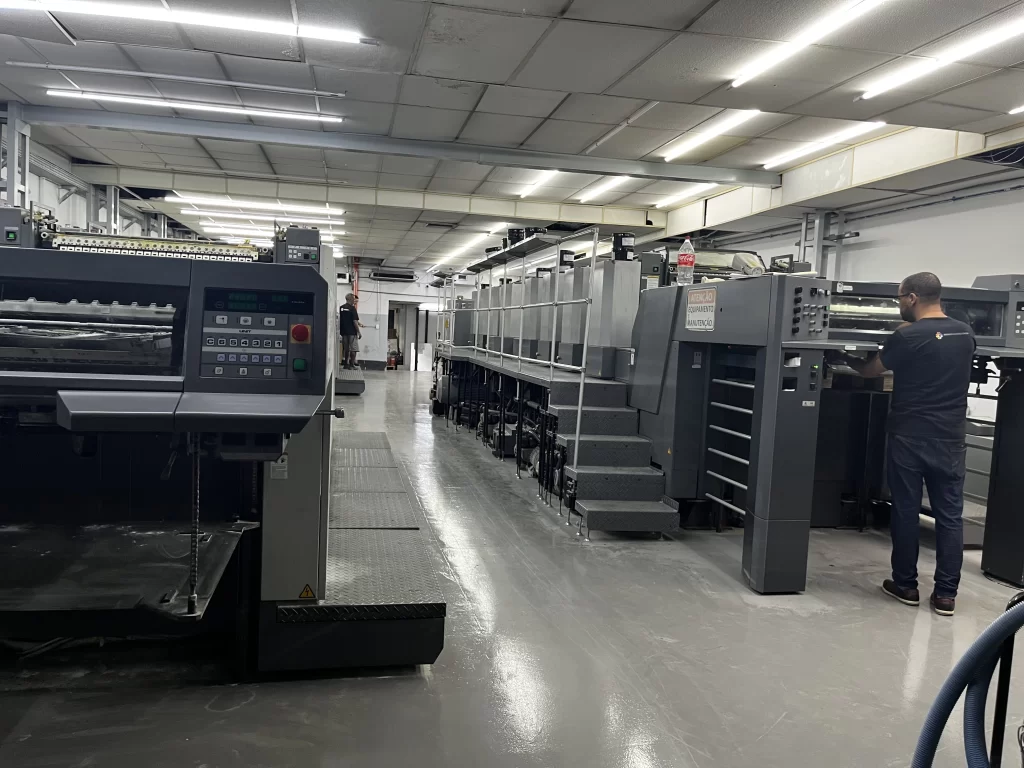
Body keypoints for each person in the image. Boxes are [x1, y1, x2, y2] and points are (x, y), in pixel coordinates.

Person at [849, 272, 975, 616]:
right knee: (950, 516)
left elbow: (871, 371)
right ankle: (946, 595)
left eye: (899, 299)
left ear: (912, 298)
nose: (899, 305)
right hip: (950, 438)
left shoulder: (906, 335)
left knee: (905, 511)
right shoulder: (965, 333)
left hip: (909, 436)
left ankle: (905, 585)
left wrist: (845, 359)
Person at [339, 293, 361, 370]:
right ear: (351, 299)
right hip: (352, 332)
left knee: (346, 349)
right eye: (353, 299)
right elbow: (354, 321)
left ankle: (346, 364)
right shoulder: (352, 308)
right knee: (353, 349)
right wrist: (359, 332)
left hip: (344, 332)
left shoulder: (341, 308)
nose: (354, 300)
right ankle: (352, 365)